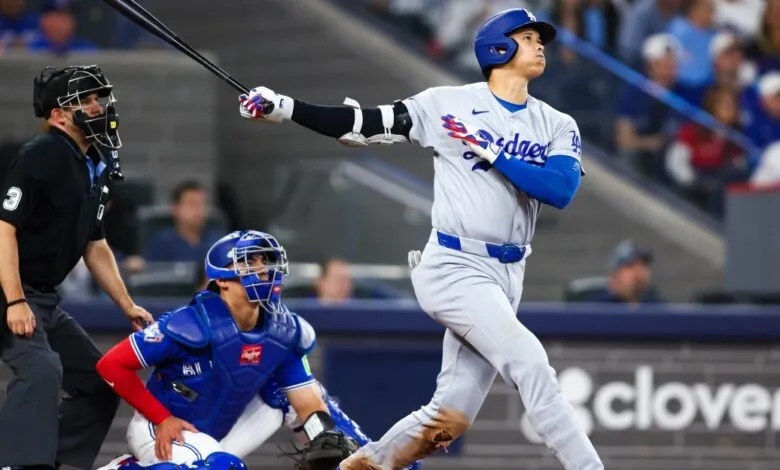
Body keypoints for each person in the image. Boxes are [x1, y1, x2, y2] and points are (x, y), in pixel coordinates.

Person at [237, 8, 603, 470]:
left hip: (508, 273)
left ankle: (359, 467)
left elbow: (560, 190)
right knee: (531, 365)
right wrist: (285, 107)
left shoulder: (556, 123)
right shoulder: (446, 103)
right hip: (454, 265)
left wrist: (491, 152)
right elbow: (363, 123)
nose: (539, 44)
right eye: (527, 36)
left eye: (538, 37)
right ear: (498, 47)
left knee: (449, 418)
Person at [95, 230, 359, 469]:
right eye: (248, 262)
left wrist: (324, 436)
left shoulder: (284, 331)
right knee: (223, 467)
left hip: (219, 433)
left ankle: (369, 460)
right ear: (221, 280)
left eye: (264, 261)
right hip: (162, 429)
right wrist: (161, 418)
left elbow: (306, 400)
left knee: (308, 406)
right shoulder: (189, 323)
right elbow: (110, 365)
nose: (262, 269)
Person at [0, 64, 153, 470]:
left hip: (44, 298)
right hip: (9, 291)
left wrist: (126, 303)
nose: (97, 107)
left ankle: (51, 461)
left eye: (97, 98)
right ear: (58, 116)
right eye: (84, 101)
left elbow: (95, 243)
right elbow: (3, 229)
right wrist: (15, 300)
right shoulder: (42, 154)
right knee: (41, 368)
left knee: (100, 382)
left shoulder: (95, 163)